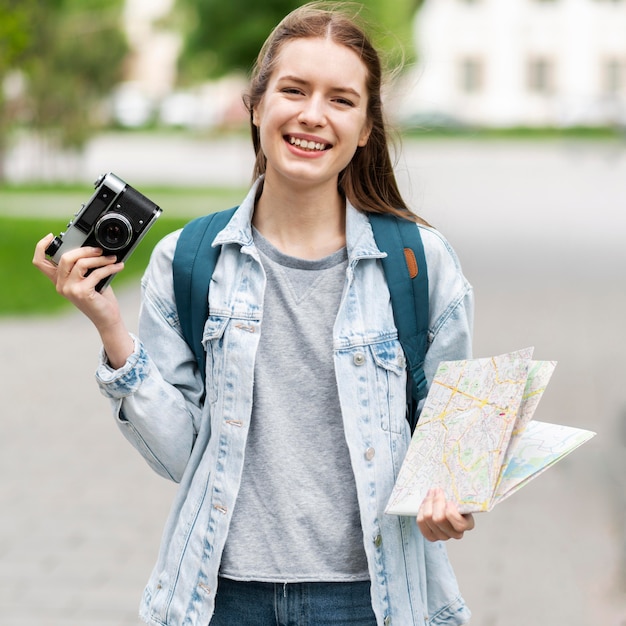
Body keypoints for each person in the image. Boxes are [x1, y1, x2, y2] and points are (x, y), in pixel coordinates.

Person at [33, 3, 475, 625]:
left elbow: (454, 443)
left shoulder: (419, 263)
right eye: (293, 90)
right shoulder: (187, 260)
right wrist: (111, 329)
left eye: (341, 100)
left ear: (367, 126)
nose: (313, 115)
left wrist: (450, 497)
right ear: (255, 103)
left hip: (371, 598)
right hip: (220, 596)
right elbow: (181, 456)